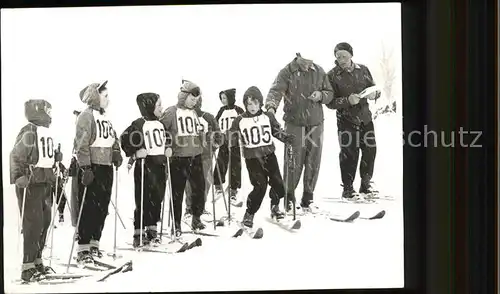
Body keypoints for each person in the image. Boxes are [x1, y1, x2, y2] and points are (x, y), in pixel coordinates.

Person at [265, 52, 334, 213]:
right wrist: (270, 107)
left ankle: (308, 198)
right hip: (294, 123)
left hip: (316, 123)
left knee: (313, 160)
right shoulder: (287, 72)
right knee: (293, 161)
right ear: (298, 55)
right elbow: (276, 91)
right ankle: (289, 198)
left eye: (311, 61)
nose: (308, 64)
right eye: (305, 61)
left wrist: (321, 95)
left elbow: (329, 93)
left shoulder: (319, 71)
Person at [10, 99, 63, 282]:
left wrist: (56, 158)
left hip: (45, 182)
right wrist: (18, 175)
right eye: (47, 110)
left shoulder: (44, 131)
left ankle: (37, 260)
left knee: (45, 222)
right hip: (31, 184)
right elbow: (16, 155)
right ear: (38, 111)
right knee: (33, 225)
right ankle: (27, 266)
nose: (50, 114)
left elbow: (44, 154)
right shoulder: (29, 130)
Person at [228, 86, 294, 228]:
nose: (252, 107)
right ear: (245, 104)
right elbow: (231, 135)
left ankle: (275, 206)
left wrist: (285, 137)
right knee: (260, 187)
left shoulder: (267, 117)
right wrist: (220, 140)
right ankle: (249, 213)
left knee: (278, 184)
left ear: (260, 103)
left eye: (255, 103)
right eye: (249, 104)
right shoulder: (240, 120)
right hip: (252, 159)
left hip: (269, 156)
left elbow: (276, 131)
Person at [73, 81, 122, 264]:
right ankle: (83, 247)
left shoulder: (106, 118)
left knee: (102, 207)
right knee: (89, 207)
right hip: (92, 167)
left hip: (106, 166)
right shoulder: (86, 116)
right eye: (105, 96)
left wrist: (116, 152)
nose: (108, 99)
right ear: (95, 96)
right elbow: (81, 144)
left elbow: (112, 137)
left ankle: (95, 242)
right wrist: (85, 167)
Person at [326, 42, 381, 200]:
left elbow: (374, 89)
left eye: (344, 56)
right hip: (346, 121)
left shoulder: (363, 70)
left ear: (351, 55)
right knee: (349, 154)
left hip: (365, 118)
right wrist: (347, 101)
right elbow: (330, 102)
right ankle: (348, 189)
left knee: (370, 151)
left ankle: (366, 185)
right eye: (338, 56)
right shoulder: (331, 75)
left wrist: (374, 95)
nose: (341, 59)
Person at [160, 80, 206, 236]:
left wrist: (202, 135)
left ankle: (196, 217)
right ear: (184, 96)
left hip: (196, 156)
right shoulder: (172, 111)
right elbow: (161, 129)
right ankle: (176, 224)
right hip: (179, 158)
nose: (194, 102)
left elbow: (196, 130)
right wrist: (167, 144)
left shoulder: (193, 112)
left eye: (196, 100)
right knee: (177, 192)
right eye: (192, 99)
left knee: (199, 188)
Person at [120, 93, 166, 248]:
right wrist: (135, 152)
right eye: (159, 105)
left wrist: (169, 148)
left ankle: (152, 229)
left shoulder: (160, 124)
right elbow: (125, 138)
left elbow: (166, 139)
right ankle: (138, 232)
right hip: (145, 166)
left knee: (157, 197)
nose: (161, 108)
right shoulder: (139, 123)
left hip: (160, 166)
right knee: (143, 199)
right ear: (149, 107)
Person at [184, 95, 223, 221]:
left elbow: (218, 133)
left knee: (205, 182)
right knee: (190, 183)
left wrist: (216, 144)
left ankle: (199, 207)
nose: (195, 104)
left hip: (205, 154)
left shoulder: (208, 117)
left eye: (197, 101)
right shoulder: (183, 116)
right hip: (189, 154)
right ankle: (189, 208)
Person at [213, 88, 245, 206]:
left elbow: (244, 124)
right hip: (224, 141)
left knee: (235, 165)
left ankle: (233, 189)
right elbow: (216, 123)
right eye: (221, 98)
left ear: (231, 98)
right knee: (221, 163)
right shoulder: (221, 110)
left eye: (225, 98)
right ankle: (218, 185)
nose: (223, 101)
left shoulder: (238, 110)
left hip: (235, 142)